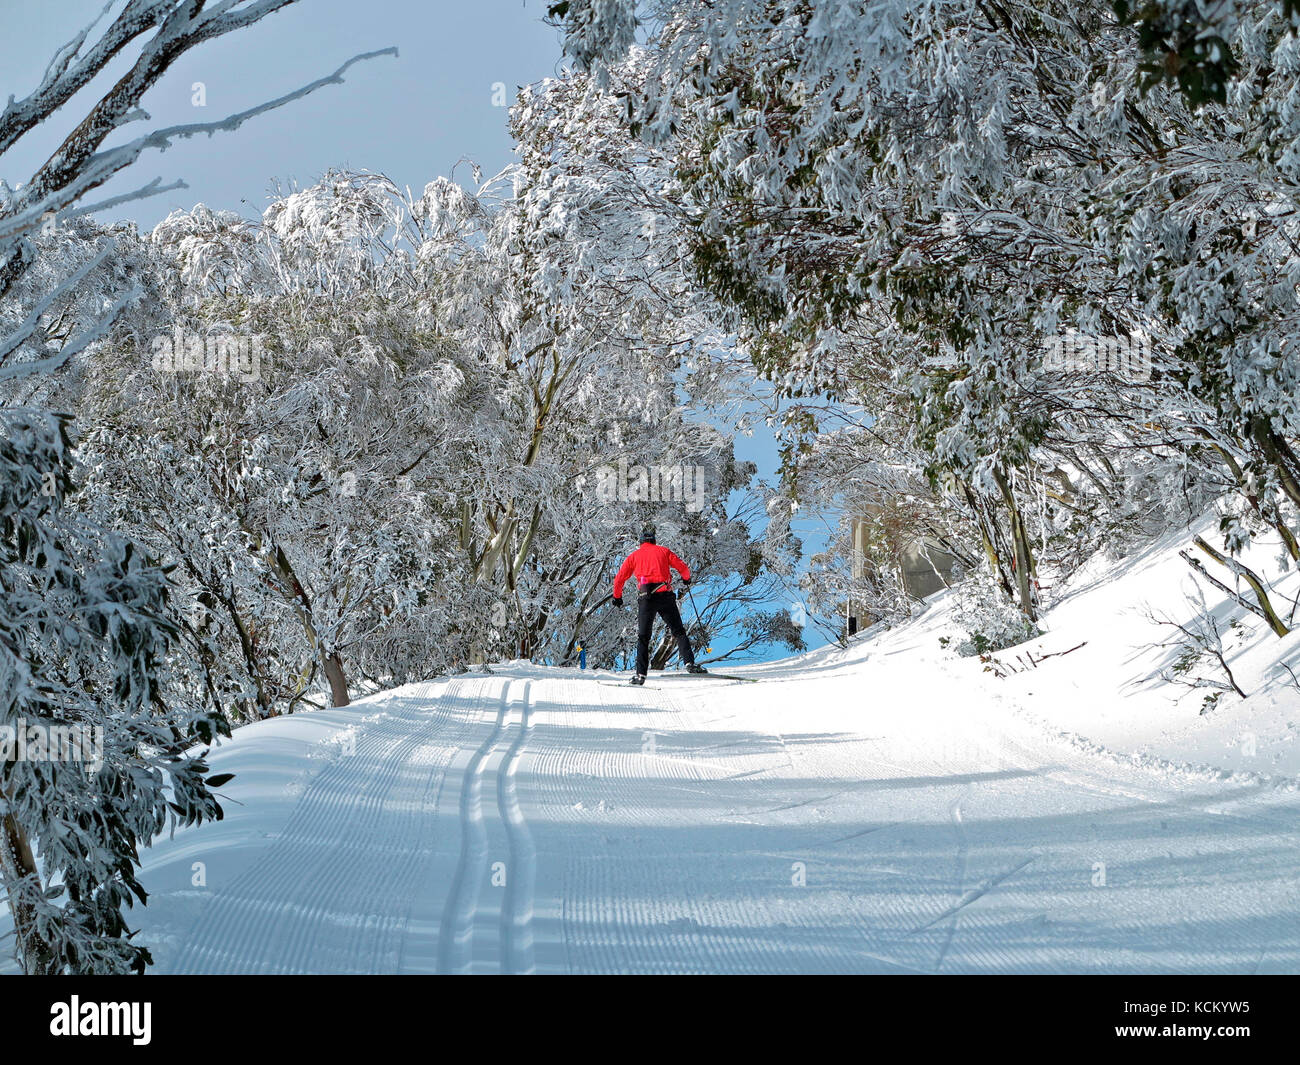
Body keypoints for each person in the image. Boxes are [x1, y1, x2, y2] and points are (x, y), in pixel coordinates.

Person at [612, 524, 707, 685]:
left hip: (646, 598)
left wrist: (617, 597)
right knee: (678, 631)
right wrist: (686, 578)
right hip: (665, 595)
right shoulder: (664, 551)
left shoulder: (634, 556)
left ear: (641, 542)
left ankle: (640, 675)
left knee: (643, 637)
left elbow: (620, 578)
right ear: (654, 541)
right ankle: (689, 663)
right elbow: (683, 567)